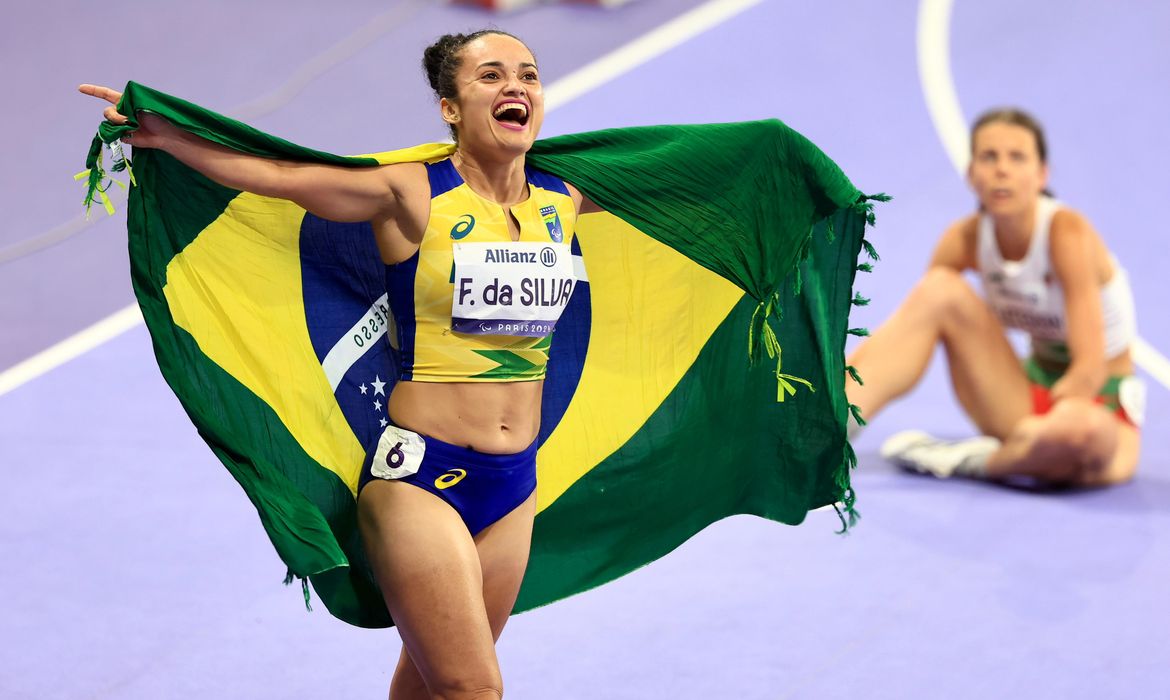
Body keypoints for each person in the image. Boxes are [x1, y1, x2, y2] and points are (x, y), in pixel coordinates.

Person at [84, 29, 600, 700]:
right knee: (474, 689)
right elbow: (281, 179)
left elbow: (683, 174)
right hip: (420, 482)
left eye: (528, 76)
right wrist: (170, 135)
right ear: (450, 107)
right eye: (491, 76)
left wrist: (773, 175)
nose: (515, 87)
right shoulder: (412, 194)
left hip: (513, 487)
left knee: (427, 688)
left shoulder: (562, 199)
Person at [846, 108, 1143, 488]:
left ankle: (973, 461)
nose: (1002, 169)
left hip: (1097, 408)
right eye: (989, 157)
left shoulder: (1067, 234)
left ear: (1041, 174)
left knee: (1078, 436)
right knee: (939, 289)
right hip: (1024, 401)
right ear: (972, 174)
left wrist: (1057, 423)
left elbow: (1088, 370)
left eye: (1017, 157)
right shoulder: (965, 240)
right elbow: (910, 327)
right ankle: (831, 434)